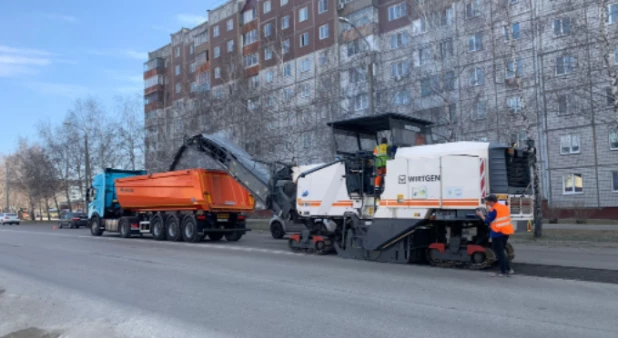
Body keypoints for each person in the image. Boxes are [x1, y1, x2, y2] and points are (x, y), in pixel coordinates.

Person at [476, 195, 515, 277]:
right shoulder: (503, 207)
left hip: (498, 233)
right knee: (501, 251)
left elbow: (487, 221)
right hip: (506, 231)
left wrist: (481, 215)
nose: (487, 203)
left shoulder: (493, 209)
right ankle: (508, 269)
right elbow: (500, 219)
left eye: (488, 201)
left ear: (492, 202)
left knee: (499, 252)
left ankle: (503, 271)